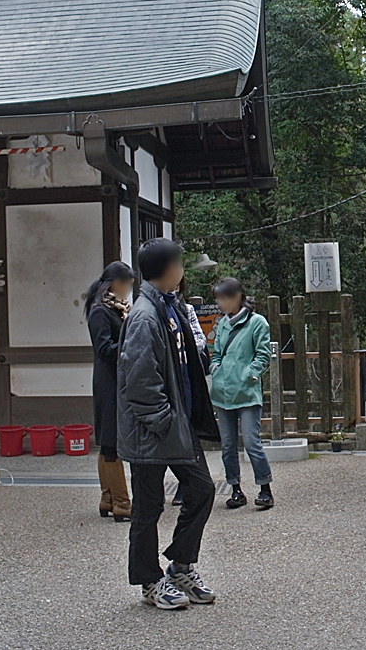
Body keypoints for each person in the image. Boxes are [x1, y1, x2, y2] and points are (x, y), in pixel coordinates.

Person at [119, 238, 217, 610]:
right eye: (179, 263)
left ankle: (180, 565)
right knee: (148, 508)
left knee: (202, 490)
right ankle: (149, 580)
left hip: (177, 423)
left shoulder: (170, 306)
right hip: (153, 428)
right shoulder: (145, 314)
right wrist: (161, 421)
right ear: (168, 268)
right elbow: (140, 378)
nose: (183, 269)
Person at [208, 278, 274, 511]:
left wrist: (250, 373)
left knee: (251, 442)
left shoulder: (257, 323)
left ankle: (265, 489)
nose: (220, 303)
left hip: (246, 391)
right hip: (223, 392)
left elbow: (263, 354)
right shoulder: (223, 323)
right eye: (218, 299)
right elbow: (216, 353)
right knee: (227, 445)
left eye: (223, 298)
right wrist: (215, 368)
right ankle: (235, 488)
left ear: (237, 296)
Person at [85, 262, 141, 521]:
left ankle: (108, 498)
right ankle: (122, 502)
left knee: (109, 441)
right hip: (109, 380)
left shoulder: (117, 309)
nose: (129, 289)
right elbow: (104, 348)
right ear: (115, 283)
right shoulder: (101, 311)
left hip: (116, 378)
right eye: (127, 283)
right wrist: (132, 343)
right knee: (111, 440)